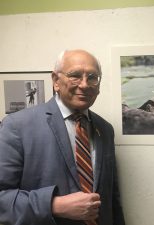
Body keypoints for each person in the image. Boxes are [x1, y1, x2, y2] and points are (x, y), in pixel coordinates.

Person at [0, 49, 125, 225]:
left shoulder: (105, 129)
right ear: (56, 81)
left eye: (92, 77)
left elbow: (113, 197)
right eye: (75, 75)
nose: (84, 84)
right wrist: (54, 205)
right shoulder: (17, 126)